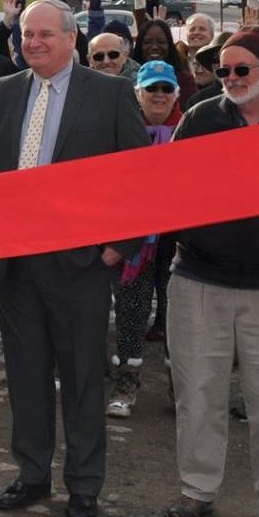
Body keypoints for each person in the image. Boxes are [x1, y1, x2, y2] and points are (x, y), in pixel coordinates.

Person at [0, 1, 150, 517]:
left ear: (72, 39)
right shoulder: (4, 92)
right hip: (15, 265)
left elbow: (138, 176)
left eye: (45, 34)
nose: (33, 42)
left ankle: (83, 483)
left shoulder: (111, 92)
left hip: (80, 265)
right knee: (26, 376)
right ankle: (32, 474)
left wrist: (119, 245)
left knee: (81, 379)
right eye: (27, 34)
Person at [162, 28, 259, 517]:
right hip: (199, 279)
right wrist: (194, 235)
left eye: (241, 69)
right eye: (223, 70)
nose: (230, 79)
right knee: (198, 395)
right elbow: (170, 186)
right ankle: (197, 490)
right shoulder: (200, 117)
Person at [107, 60, 182, 418]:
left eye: (166, 88)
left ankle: (178, 387)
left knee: (177, 315)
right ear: (138, 92)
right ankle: (126, 383)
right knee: (131, 312)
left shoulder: (189, 129)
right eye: (151, 88)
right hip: (134, 241)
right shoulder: (121, 129)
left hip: (177, 240)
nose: (159, 95)